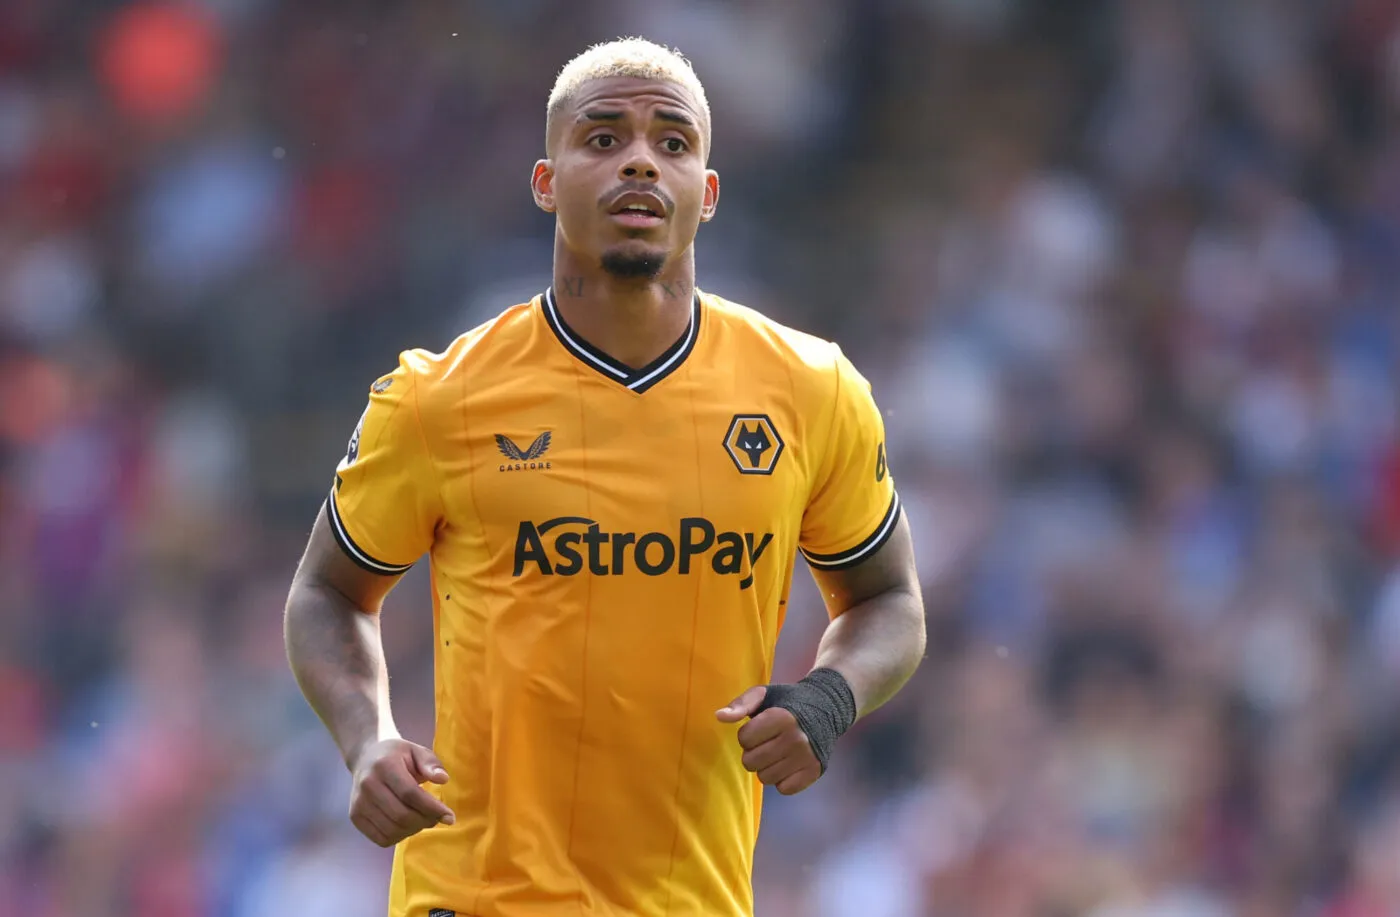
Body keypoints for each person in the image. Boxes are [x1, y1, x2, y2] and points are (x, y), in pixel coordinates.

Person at [284, 36, 925, 917]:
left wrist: (829, 697)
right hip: (477, 898)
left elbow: (889, 598)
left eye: (673, 142)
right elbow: (327, 591)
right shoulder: (440, 399)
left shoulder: (812, 392)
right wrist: (368, 739)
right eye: (603, 137)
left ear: (707, 192)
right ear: (546, 182)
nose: (640, 161)